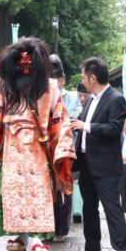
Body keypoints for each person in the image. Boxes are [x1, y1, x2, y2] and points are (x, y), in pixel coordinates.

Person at [0, 37, 75, 251]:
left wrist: (61, 145)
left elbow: (60, 118)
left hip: (38, 147)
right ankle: (19, 237)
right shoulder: (2, 86)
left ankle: (38, 237)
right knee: (13, 192)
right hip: (12, 147)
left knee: (38, 192)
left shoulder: (50, 87)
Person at [70, 57, 126, 251]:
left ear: (93, 78)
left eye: (84, 77)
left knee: (112, 209)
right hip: (86, 162)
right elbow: (83, 123)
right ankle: (92, 248)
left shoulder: (116, 99)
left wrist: (86, 126)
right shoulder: (91, 99)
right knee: (89, 208)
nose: (83, 81)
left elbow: (114, 129)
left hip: (106, 165)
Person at [48, 54, 77, 240]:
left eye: (56, 79)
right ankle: (48, 228)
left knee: (63, 187)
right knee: (48, 189)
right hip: (48, 146)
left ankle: (62, 228)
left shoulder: (72, 97)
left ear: (63, 79)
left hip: (65, 146)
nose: (52, 82)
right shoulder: (43, 93)